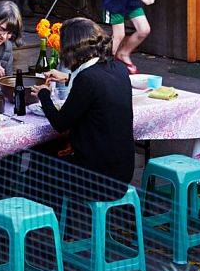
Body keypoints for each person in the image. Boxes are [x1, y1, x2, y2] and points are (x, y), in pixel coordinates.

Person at [38, 16, 135, 187]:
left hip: (96, 179)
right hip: (123, 172)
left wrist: (44, 94)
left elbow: (60, 123)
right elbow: (98, 88)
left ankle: (48, 210)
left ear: (71, 50)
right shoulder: (118, 67)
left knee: (42, 152)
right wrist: (68, 78)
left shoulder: (87, 78)